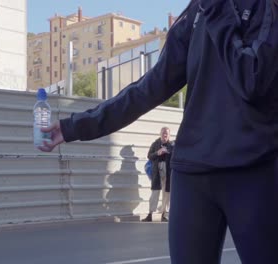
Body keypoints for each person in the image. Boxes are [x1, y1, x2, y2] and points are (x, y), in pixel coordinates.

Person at [39, 0, 278, 263]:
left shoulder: (263, 7)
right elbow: (148, 88)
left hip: (253, 171)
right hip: (193, 174)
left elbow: (253, 78)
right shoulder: (196, 12)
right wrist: (75, 126)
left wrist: (218, 9)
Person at [142, 127, 174, 222]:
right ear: (160, 134)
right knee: (155, 192)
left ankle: (164, 214)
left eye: (166, 133)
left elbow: (175, 156)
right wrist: (158, 153)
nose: (165, 135)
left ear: (169, 135)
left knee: (167, 193)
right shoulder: (155, 144)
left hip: (168, 170)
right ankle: (150, 214)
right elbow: (149, 156)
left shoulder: (172, 145)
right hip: (157, 169)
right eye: (163, 133)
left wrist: (169, 152)